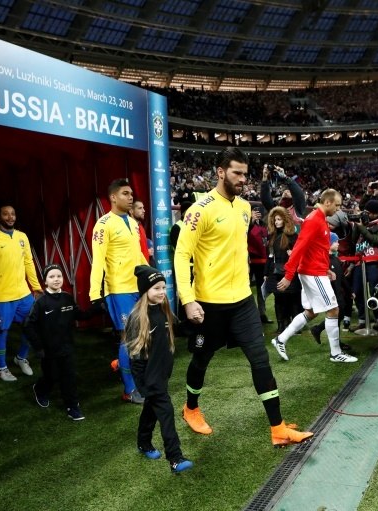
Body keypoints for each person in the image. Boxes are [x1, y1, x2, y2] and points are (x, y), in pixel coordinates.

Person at [175, 147, 313, 447]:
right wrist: (188, 299)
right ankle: (191, 408)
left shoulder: (244, 208)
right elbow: (182, 254)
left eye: (245, 174)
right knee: (201, 359)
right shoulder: (200, 210)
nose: (242, 179)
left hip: (242, 301)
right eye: (236, 173)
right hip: (209, 304)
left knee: (260, 359)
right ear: (220, 172)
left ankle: (277, 428)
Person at [271, 190, 355, 363]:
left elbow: (317, 249)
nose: (338, 209)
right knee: (334, 309)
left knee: (311, 312)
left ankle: (281, 339)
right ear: (328, 202)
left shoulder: (320, 219)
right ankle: (335, 353)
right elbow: (299, 248)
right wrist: (288, 275)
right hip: (312, 273)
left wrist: (326, 269)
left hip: (315, 271)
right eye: (337, 205)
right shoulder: (314, 220)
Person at [127, 265, 193, 473]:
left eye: (163, 287)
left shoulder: (164, 310)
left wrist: (197, 320)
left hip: (162, 374)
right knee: (166, 412)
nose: (162, 291)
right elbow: (135, 356)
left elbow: (179, 329)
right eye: (156, 288)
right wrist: (142, 385)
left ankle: (143, 443)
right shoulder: (138, 317)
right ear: (145, 290)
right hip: (150, 378)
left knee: (151, 410)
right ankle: (175, 458)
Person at [89, 178, 148, 404]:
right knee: (128, 338)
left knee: (140, 337)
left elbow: (138, 255)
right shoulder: (103, 225)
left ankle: (128, 371)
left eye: (131, 193)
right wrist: (95, 294)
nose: (130, 197)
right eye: (125, 193)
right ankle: (129, 390)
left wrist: (150, 276)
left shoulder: (132, 223)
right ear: (113, 197)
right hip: (119, 290)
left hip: (136, 287)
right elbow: (98, 261)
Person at [0, 203, 43, 382]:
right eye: (6, 214)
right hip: (2, 296)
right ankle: (1, 368)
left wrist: (36, 287)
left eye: (13, 214)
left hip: (24, 294)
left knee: (32, 327)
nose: (10, 217)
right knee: (2, 331)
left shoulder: (22, 236)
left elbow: (29, 262)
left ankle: (21, 358)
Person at [24, 264, 91, 421]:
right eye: (52, 276)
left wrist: (97, 308)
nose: (56, 279)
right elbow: (28, 326)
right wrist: (38, 347)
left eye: (59, 276)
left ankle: (72, 407)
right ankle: (40, 389)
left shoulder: (67, 297)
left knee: (69, 377)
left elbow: (79, 315)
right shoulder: (40, 302)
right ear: (45, 281)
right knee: (51, 376)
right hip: (48, 350)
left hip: (67, 347)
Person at [350, 199, 378, 331]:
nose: (367, 215)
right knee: (357, 291)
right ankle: (362, 319)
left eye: (369, 213)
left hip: (375, 260)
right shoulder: (364, 220)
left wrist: (362, 228)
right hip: (360, 259)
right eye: (366, 212)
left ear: (376, 213)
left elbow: (377, 239)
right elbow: (354, 240)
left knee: (375, 290)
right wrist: (357, 225)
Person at [311, 233, 352, 352]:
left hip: (338, 294)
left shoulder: (336, 259)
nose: (338, 244)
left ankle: (318, 329)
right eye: (335, 242)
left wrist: (350, 291)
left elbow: (342, 278)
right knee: (336, 316)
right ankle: (335, 344)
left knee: (339, 316)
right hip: (331, 295)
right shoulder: (324, 260)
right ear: (328, 244)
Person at [264, 206, 301, 333]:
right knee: (279, 299)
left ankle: (294, 327)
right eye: (275, 220)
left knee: (293, 299)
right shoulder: (272, 236)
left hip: (291, 273)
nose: (276, 222)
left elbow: (300, 255)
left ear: (285, 220)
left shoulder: (293, 236)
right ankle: (281, 325)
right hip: (276, 272)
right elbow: (270, 256)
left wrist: (293, 254)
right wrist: (266, 273)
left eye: (279, 219)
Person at [248, 204, 270, 323]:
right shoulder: (246, 225)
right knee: (246, 288)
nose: (257, 213)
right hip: (249, 261)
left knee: (262, 289)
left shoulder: (264, 225)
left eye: (259, 211)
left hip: (262, 262)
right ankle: (249, 314)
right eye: (255, 211)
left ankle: (262, 313)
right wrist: (250, 222)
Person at [130, 199, 153, 265]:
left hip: (144, 266)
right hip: (136, 267)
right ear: (131, 211)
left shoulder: (140, 225)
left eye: (143, 208)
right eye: (140, 208)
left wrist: (147, 251)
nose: (143, 211)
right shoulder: (128, 227)